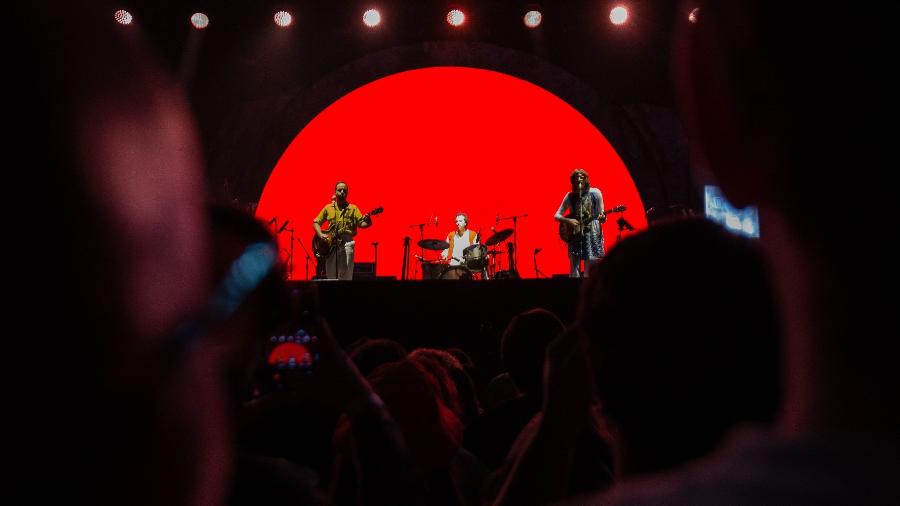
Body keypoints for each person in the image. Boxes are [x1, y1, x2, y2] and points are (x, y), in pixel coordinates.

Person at [312, 181, 372, 280]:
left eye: (345, 190)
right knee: (331, 275)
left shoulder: (353, 208)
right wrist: (320, 234)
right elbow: (316, 222)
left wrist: (368, 220)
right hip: (331, 244)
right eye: (339, 190)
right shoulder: (328, 208)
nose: (342, 192)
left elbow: (362, 224)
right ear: (335, 192)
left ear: (347, 193)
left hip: (347, 243)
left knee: (346, 276)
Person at [554, 169, 606, 277]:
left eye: (581, 177)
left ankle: (588, 291)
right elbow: (557, 215)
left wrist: (602, 218)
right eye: (576, 178)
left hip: (592, 233)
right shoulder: (570, 196)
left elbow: (602, 214)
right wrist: (568, 221)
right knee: (574, 267)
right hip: (575, 233)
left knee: (590, 267)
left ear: (586, 179)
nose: (579, 179)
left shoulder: (595, 193)